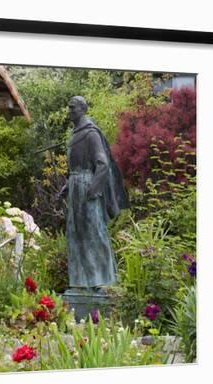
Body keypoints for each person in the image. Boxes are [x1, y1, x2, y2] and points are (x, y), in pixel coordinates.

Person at [65, 96, 129, 290]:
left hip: (87, 187)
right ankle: (82, 281)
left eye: (72, 108)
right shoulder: (75, 134)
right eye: (69, 107)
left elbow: (102, 164)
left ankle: (104, 280)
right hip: (76, 187)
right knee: (75, 234)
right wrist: (68, 185)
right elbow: (74, 168)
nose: (69, 111)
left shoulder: (91, 134)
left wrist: (93, 189)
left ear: (82, 110)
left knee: (95, 232)